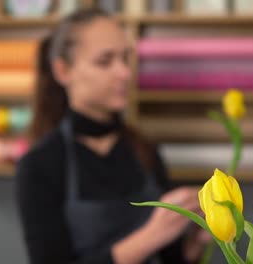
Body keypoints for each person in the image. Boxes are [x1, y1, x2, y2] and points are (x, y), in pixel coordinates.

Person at [15, 8, 210, 264]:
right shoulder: (39, 166)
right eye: (105, 61)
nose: (124, 73)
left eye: (125, 58)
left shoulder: (144, 151)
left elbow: (172, 258)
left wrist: (195, 242)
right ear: (63, 71)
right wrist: (151, 235)